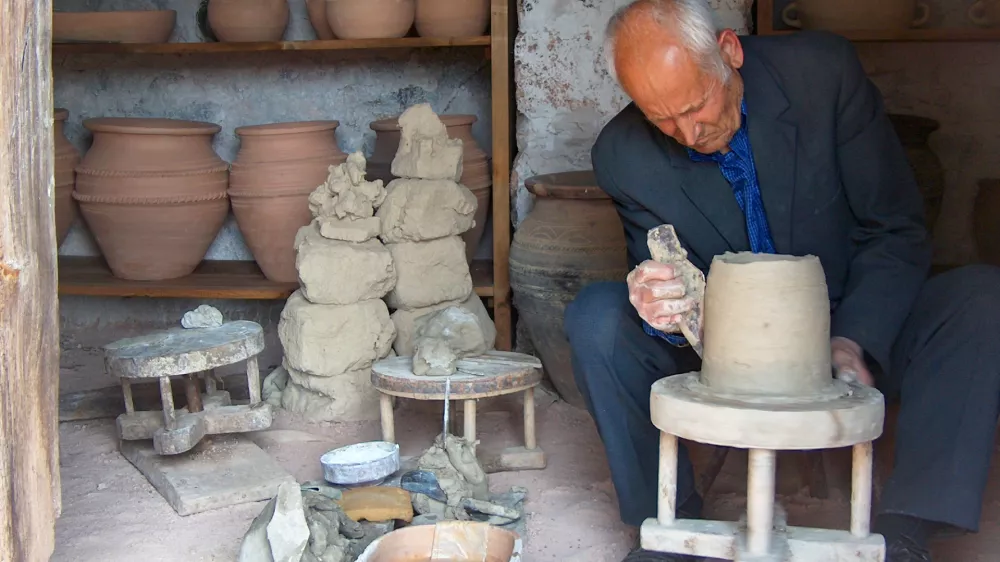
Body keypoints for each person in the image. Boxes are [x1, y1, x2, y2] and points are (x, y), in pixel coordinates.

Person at [564, 1, 1000, 561]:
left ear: (729, 51)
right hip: (730, 349)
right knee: (597, 317)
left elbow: (894, 227)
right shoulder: (622, 154)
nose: (688, 132)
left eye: (697, 105)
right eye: (662, 120)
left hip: (847, 318)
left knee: (982, 298)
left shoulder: (823, 76)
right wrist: (660, 305)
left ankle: (906, 531)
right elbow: (667, 277)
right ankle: (670, 529)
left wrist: (852, 339)